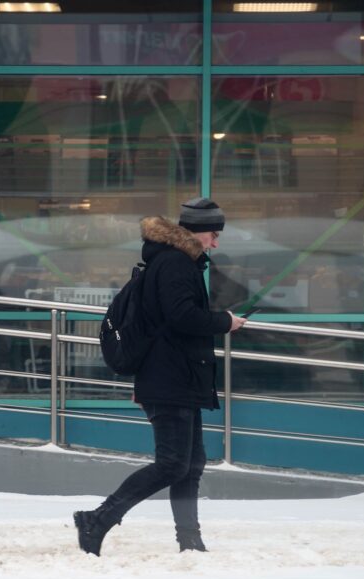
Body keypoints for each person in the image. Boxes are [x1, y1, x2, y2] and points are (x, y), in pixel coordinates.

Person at [74, 198, 246, 556]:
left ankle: (190, 540)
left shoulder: (174, 262)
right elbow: (181, 316)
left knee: (190, 465)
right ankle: (99, 519)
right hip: (170, 377)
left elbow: (173, 317)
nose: (215, 243)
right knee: (173, 463)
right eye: (213, 235)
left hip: (178, 376)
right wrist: (223, 322)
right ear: (197, 233)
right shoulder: (174, 263)